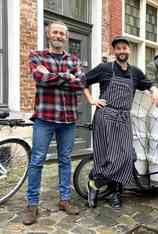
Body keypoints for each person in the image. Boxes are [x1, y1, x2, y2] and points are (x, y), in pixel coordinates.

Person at [83, 36, 158, 209]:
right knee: (106, 156)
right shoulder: (105, 68)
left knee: (126, 156)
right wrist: (91, 100)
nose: (121, 51)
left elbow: (148, 83)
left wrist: (155, 91)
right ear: (114, 51)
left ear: (129, 50)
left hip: (124, 118)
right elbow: (84, 80)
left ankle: (95, 183)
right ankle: (114, 194)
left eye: (124, 48)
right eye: (118, 48)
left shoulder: (135, 72)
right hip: (105, 116)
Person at [23, 21, 85, 225]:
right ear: (49, 35)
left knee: (65, 160)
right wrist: (67, 77)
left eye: (62, 33)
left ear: (66, 37)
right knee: (37, 161)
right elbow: (39, 77)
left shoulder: (74, 59)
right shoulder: (37, 56)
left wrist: (53, 76)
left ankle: (64, 200)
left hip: (68, 119)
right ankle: (32, 204)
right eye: (55, 32)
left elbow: (81, 83)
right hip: (44, 118)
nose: (58, 36)